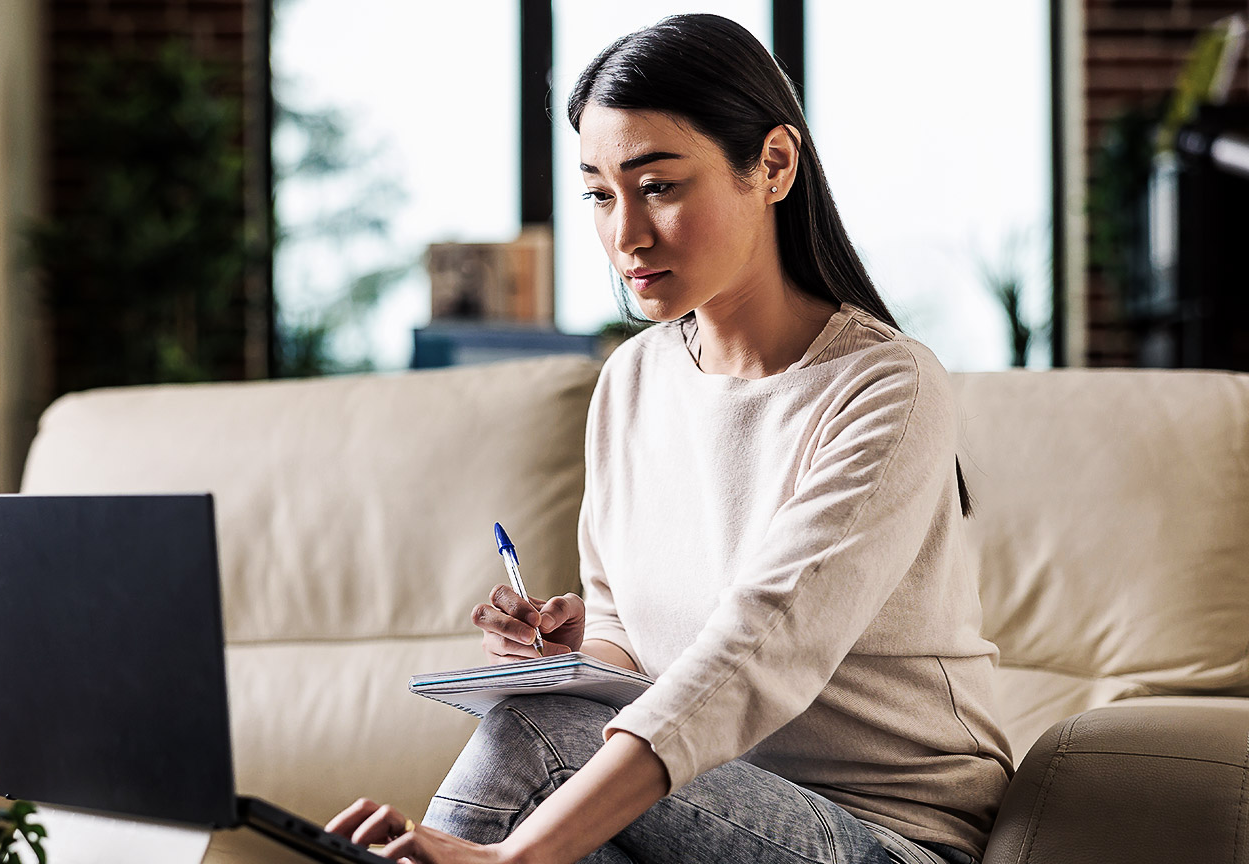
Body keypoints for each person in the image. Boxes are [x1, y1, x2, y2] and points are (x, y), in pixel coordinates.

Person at [326, 13, 1013, 864]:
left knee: (536, 736)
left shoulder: (886, 387)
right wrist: (579, 654)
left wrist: (513, 858)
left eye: (657, 186)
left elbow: (759, 652)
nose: (625, 236)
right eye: (599, 194)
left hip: (888, 835)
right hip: (702, 814)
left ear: (773, 165)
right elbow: (624, 630)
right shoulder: (633, 379)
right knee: (553, 755)